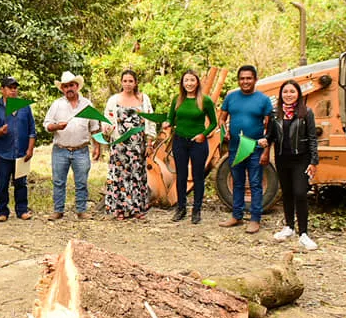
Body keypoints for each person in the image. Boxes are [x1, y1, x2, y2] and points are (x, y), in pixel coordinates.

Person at [219, 65, 273, 234]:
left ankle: (255, 219)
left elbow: (270, 128)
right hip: (236, 148)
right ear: (238, 80)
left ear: (255, 80)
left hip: (255, 148)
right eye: (242, 78)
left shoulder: (263, 100)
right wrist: (224, 132)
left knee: (256, 183)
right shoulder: (231, 98)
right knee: (238, 182)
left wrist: (266, 151)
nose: (245, 81)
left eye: (249, 78)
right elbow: (221, 119)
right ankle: (236, 216)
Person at [267, 80, 319, 250]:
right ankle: (289, 227)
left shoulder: (306, 112)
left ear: (298, 94)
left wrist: (313, 161)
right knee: (287, 193)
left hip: (301, 159)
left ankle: (303, 233)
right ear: (281, 94)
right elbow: (271, 136)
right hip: (283, 158)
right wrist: (263, 141)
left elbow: (312, 138)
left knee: (300, 193)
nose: (288, 95)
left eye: (292, 91)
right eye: (285, 92)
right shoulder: (275, 113)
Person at [43, 71, 101, 220]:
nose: (69, 88)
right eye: (66, 86)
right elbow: (46, 125)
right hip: (60, 149)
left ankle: (81, 210)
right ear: (62, 88)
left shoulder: (87, 104)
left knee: (81, 182)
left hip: (81, 149)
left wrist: (97, 146)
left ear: (77, 86)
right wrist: (56, 126)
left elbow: (94, 127)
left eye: (71, 85)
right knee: (58, 181)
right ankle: (58, 210)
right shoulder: (57, 104)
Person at [164, 70, 217, 224]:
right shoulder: (177, 99)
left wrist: (204, 134)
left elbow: (213, 122)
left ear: (197, 82)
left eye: (192, 80)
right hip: (180, 140)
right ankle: (181, 208)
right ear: (182, 83)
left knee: (197, 176)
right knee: (181, 175)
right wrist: (167, 123)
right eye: (186, 80)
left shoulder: (204, 100)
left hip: (198, 142)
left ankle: (196, 210)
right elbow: (171, 118)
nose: (189, 83)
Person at [103, 69, 155, 220]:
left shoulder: (143, 99)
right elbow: (106, 119)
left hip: (137, 145)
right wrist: (106, 128)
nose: (127, 84)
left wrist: (150, 142)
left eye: (130, 81)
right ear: (121, 82)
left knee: (137, 176)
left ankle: (137, 209)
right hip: (119, 145)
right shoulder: (114, 99)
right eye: (125, 81)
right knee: (120, 176)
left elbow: (150, 120)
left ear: (135, 83)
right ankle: (119, 210)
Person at [0, 76, 36, 221]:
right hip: (3, 153)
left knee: (21, 183)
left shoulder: (25, 107)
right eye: (9, 88)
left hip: (21, 152)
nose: (13, 91)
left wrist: (30, 149)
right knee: (2, 184)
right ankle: (2, 212)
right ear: (2, 90)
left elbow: (32, 130)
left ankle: (22, 210)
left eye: (15, 88)